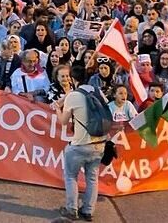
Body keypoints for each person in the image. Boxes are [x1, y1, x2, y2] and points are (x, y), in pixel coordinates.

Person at [53, 66, 105, 221]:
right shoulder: (98, 92)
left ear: (73, 79)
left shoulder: (74, 96)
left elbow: (63, 121)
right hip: (99, 143)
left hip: (80, 144)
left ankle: (72, 209)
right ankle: (88, 211)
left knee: (71, 176)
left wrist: (57, 109)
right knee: (92, 178)